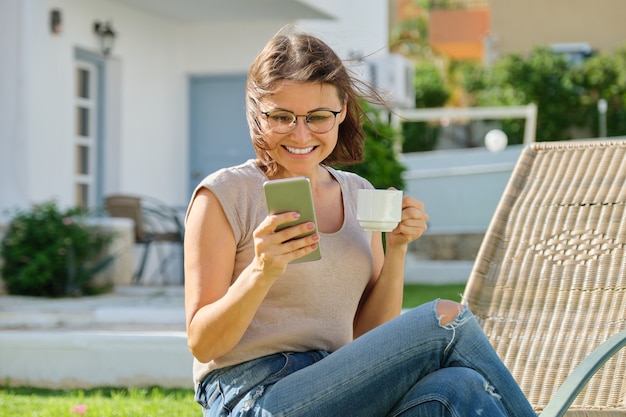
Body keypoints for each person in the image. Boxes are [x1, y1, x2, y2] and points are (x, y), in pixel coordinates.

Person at [184, 26, 537, 417]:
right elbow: (203, 344)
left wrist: (397, 247)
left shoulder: (356, 194)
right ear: (258, 114)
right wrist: (261, 271)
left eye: (318, 117)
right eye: (282, 117)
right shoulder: (224, 195)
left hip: (340, 387)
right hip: (253, 397)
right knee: (446, 318)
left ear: (342, 113)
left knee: (459, 387)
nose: (301, 133)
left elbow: (368, 336)